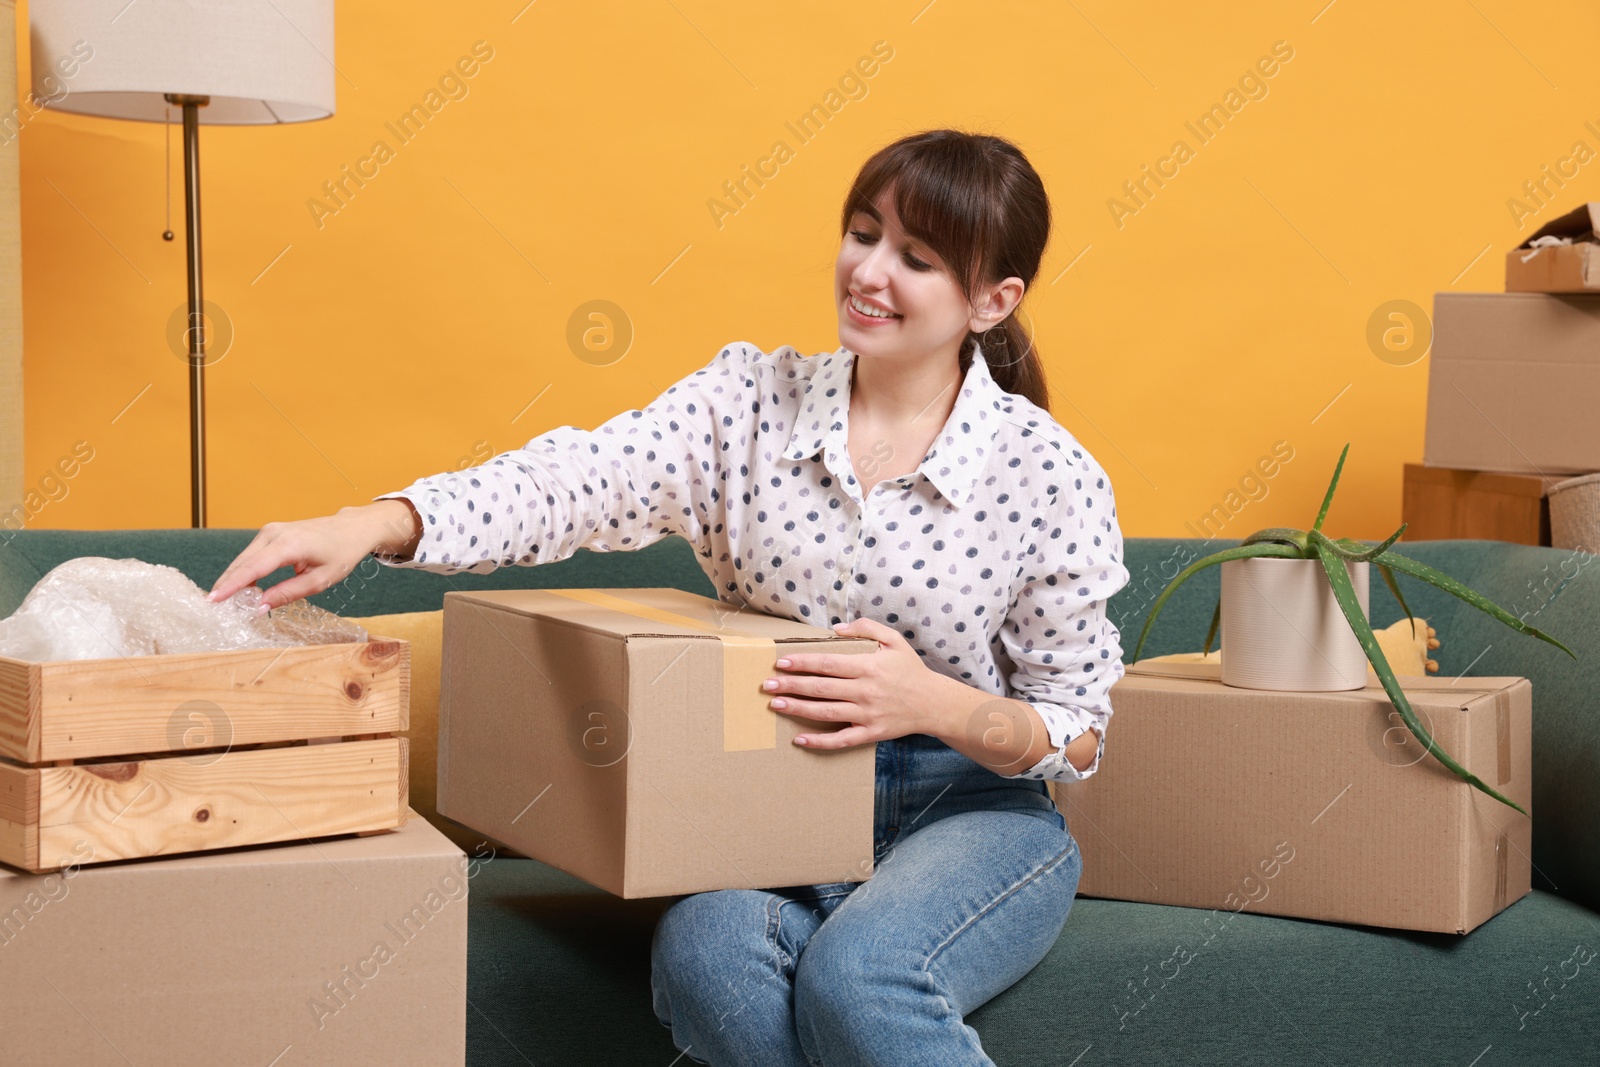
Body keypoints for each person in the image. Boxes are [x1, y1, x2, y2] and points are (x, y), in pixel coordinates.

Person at [207, 128, 1129, 1066]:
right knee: (705, 959)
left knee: (862, 974)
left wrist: (931, 702)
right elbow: (572, 480)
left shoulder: (1048, 473)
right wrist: (375, 522)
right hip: (767, 803)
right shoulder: (747, 406)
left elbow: (1077, 729)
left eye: (916, 258)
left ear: (992, 299)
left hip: (967, 813)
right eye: (862, 233)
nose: (867, 272)